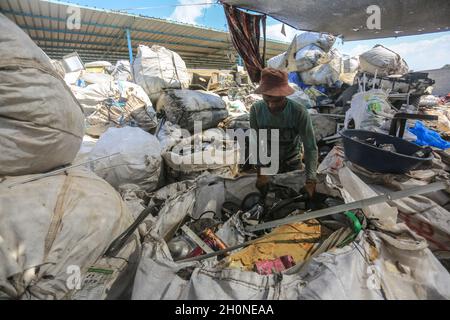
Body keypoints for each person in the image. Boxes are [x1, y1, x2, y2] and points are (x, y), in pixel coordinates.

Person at [250, 67, 318, 197]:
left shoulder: (299, 112)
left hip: (292, 163)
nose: (271, 105)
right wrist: (260, 171)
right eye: (267, 99)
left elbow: (310, 148)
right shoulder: (256, 110)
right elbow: (255, 142)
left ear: (285, 95)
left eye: (277, 100)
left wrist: (311, 180)